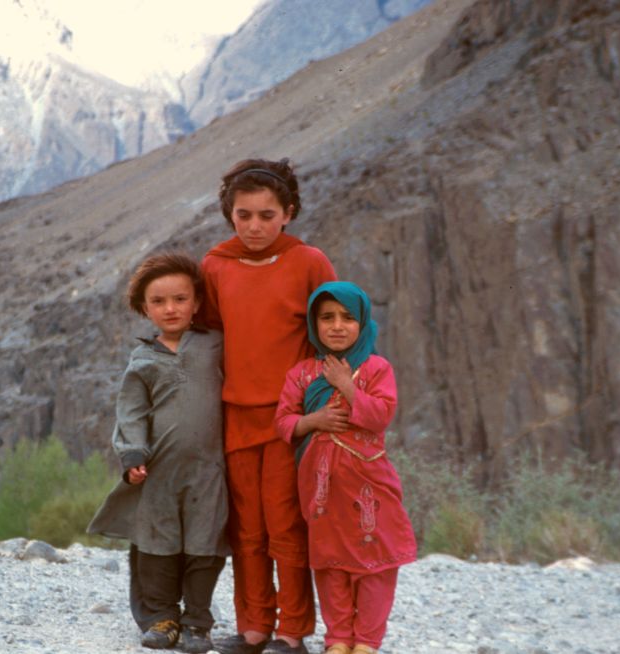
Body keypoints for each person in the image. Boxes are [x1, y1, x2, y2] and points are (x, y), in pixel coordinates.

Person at [201, 158, 337, 654]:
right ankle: (254, 626)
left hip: (291, 419)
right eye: (244, 215)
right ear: (229, 215)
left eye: (266, 214)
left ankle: (293, 630)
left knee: (286, 523)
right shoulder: (215, 265)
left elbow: (331, 332)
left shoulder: (309, 261)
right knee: (246, 527)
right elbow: (212, 335)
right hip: (235, 415)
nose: (254, 226)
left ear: (289, 213)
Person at [87, 252, 228, 653]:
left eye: (180, 299)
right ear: (143, 308)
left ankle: (197, 623)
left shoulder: (215, 345)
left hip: (210, 471)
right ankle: (161, 618)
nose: (171, 309)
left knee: (206, 545)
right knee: (156, 544)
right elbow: (130, 412)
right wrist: (133, 455)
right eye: (159, 301)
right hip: (158, 472)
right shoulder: (143, 358)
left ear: (197, 302)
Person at [274, 282, 417, 654]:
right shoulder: (303, 374)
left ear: (363, 322)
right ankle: (338, 638)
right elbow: (284, 422)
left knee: (375, 562)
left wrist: (346, 386)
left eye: (348, 318)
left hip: (370, 483)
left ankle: (367, 641)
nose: (337, 326)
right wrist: (314, 420)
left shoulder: (376, 368)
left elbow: (381, 416)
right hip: (321, 487)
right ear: (314, 324)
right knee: (330, 561)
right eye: (327, 318)